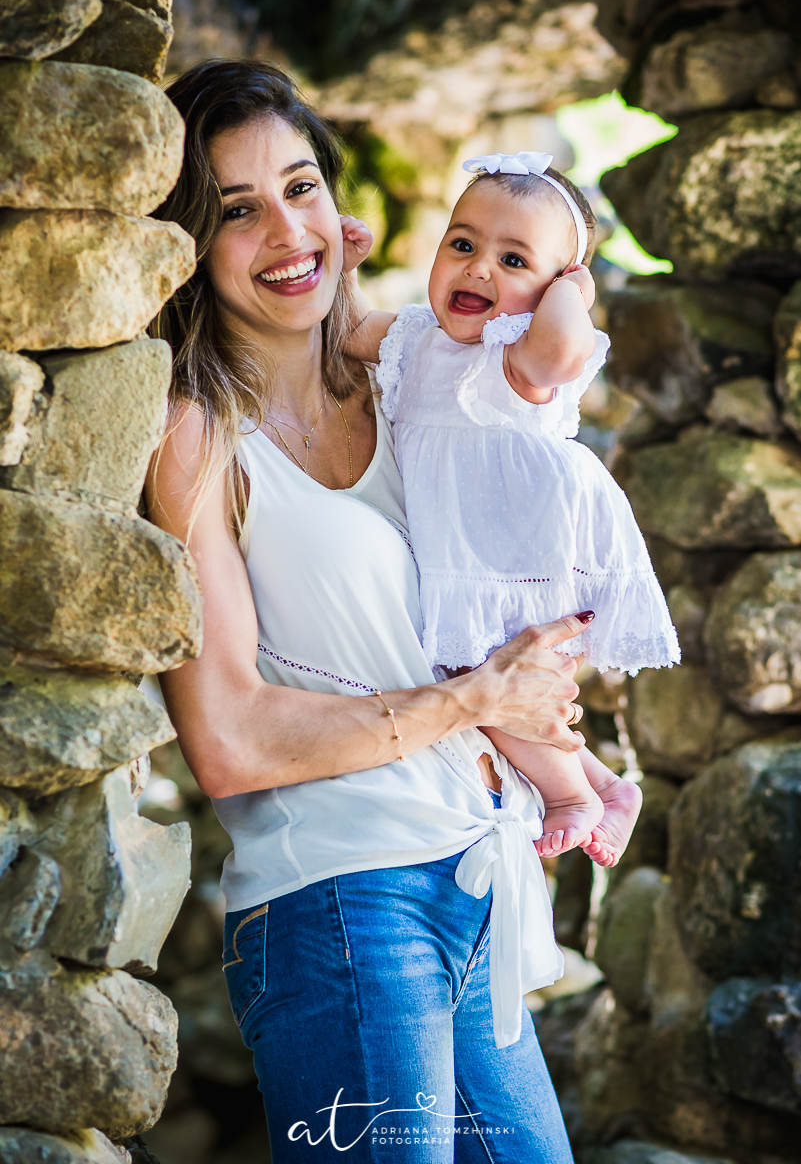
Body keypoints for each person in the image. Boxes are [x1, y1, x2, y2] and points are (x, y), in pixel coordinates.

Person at [147, 59, 595, 1164]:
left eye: (300, 188)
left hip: (476, 883)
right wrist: (479, 698)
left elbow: (551, 334)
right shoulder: (196, 434)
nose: (284, 232)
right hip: (341, 902)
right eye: (237, 210)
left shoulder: (409, 384)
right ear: (192, 241)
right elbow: (230, 739)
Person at [342, 151, 678, 861]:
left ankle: (571, 797)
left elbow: (564, 351)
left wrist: (572, 291)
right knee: (474, 682)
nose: (479, 270)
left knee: (502, 678)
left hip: (511, 549)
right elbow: (341, 331)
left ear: (555, 287)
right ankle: (604, 784)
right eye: (462, 244)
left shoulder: (519, 355)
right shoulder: (414, 337)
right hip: (456, 549)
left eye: (514, 260)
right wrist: (342, 267)